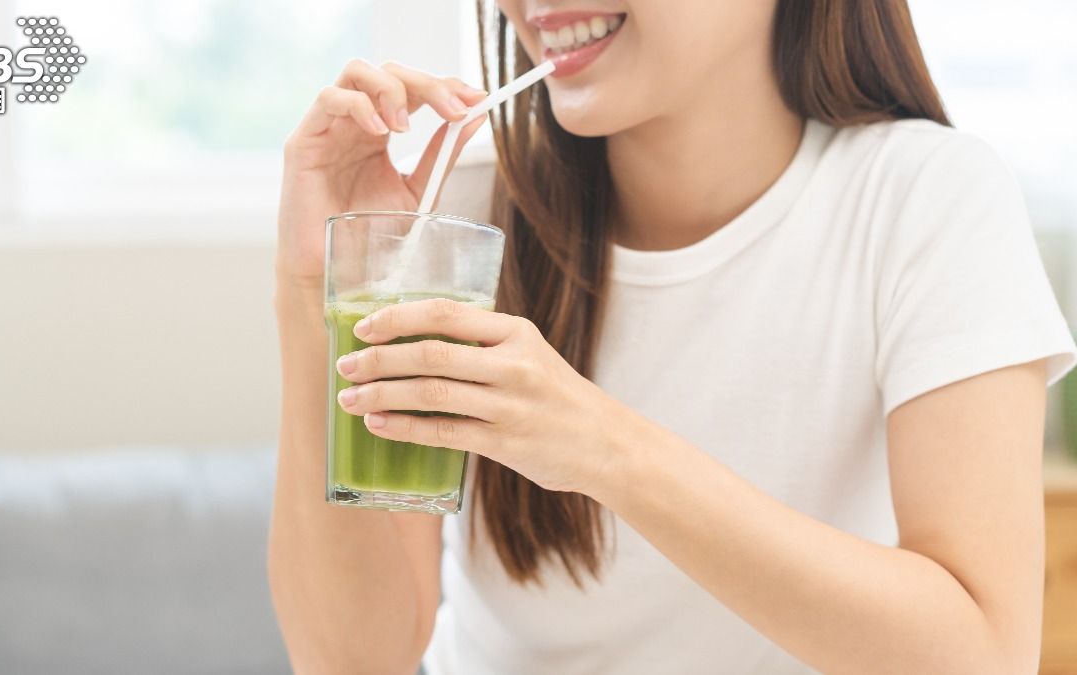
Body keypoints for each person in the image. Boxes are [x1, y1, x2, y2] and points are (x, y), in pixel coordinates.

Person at [267, 1, 1077, 673]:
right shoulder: (462, 227)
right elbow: (351, 660)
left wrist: (601, 445)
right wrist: (311, 293)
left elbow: (984, 654)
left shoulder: (926, 203)